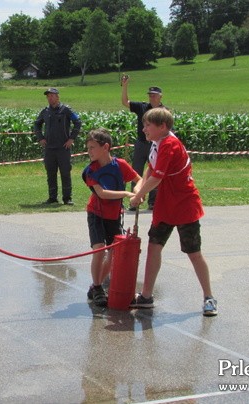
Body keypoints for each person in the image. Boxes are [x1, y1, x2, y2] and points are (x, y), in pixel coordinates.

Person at [128, 108, 217, 317]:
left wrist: (138, 195)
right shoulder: (157, 144)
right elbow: (151, 168)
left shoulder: (170, 144)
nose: (144, 129)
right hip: (165, 205)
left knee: (194, 253)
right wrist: (140, 185)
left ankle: (209, 297)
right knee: (154, 247)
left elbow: (157, 177)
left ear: (163, 127)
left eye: (148, 125)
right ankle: (146, 296)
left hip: (185, 205)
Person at [82, 128, 141, 307]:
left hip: (114, 215)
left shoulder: (120, 165)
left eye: (92, 147)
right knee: (99, 248)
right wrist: (126, 193)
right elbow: (102, 194)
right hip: (96, 214)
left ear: (105, 147)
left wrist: (138, 193)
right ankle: (99, 287)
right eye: (88, 147)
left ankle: (96, 284)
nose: (89, 151)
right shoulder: (90, 171)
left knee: (113, 251)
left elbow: (138, 179)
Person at [121, 75, 167, 211]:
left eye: (154, 95)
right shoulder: (142, 107)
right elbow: (125, 102)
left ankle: (152, 202)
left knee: (154, 173)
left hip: (156, 145)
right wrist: (125, 86)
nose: (151, 97)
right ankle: (134, 200)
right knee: (136, 172)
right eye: (150, 95)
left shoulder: (164, 112)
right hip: (142, 143)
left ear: (160, 97)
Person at [34, 87, 82, 206]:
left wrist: (71, 138)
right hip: (49, 148)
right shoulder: (45, 111)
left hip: (63, 148)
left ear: (57, 97)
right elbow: (37, 124)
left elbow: (78, 122)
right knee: (51, 173)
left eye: (52, 95)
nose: (49, 98)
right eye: (48, 96)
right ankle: (52, 198)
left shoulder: (66, 110)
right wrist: (40, 138)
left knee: (65, 173)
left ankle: (67, 198)